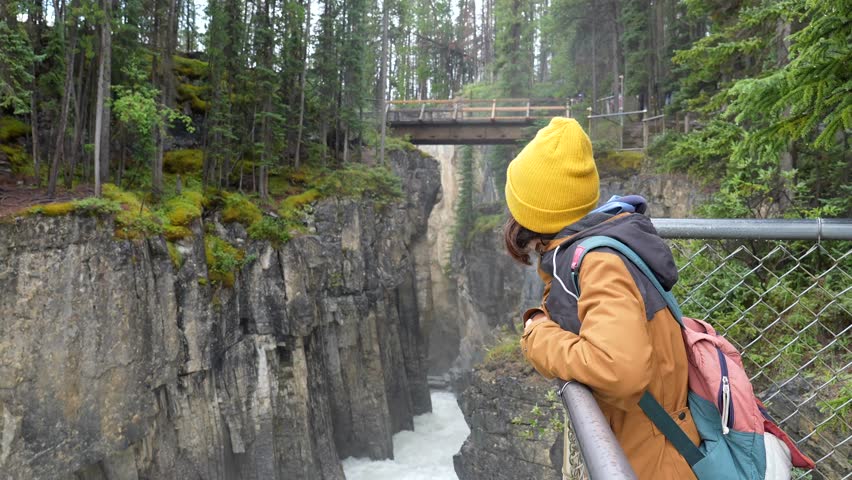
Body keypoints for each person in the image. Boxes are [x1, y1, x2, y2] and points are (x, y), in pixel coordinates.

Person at [503, 117, 699, 479]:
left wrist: (537, 334)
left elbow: (619, 372)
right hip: (642, 450)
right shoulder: (596, 248)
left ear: (535, 211)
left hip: (652, 464)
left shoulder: (598, 263)